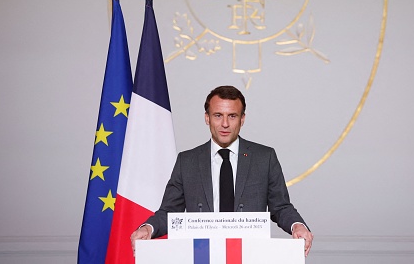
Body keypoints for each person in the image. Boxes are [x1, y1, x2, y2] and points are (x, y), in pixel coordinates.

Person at [130, 85, 313, 257]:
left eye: (232, 116)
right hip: (203, 255)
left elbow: (280, 207)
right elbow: (169, 211)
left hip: (250, 255)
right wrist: (148, 228)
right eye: (218, 115)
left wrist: (297, 226)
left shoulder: (265, 158)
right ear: (207, 118)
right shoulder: (187, 161)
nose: (225, 124)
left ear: (242, 119)